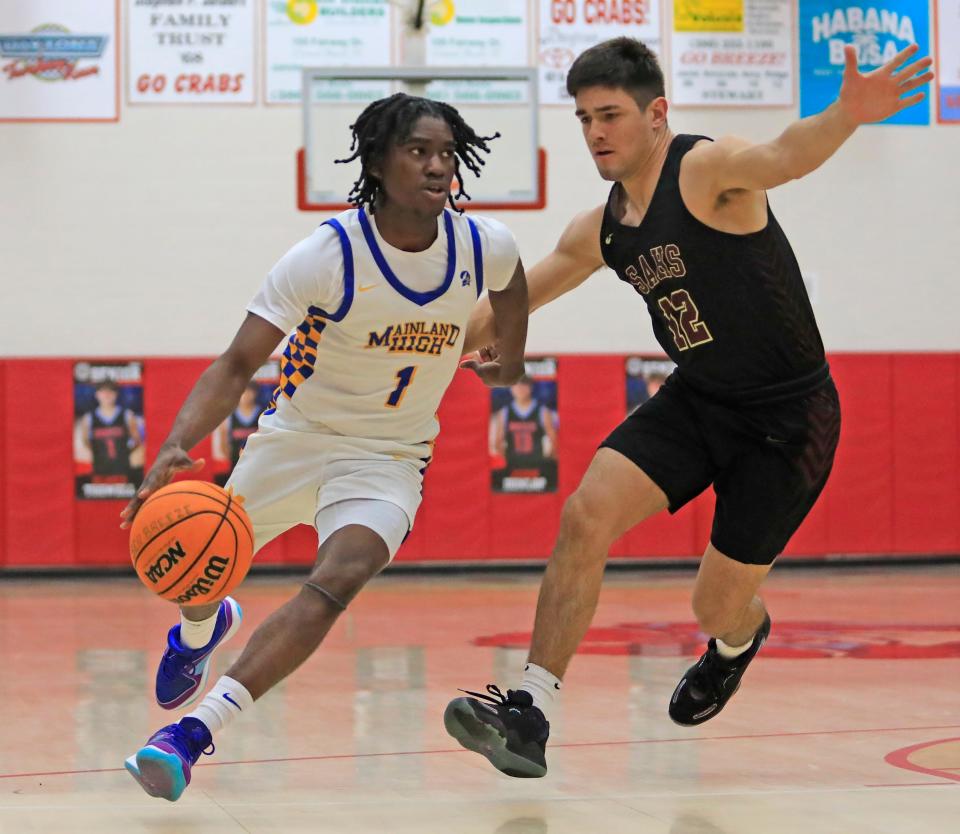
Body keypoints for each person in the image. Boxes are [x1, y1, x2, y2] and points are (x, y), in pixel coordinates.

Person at [445, 37, 933, 778]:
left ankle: (737, 643)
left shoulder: (704, 172)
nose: (596, 133)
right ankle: (528, 710)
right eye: (583, 118)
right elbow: (516, 300)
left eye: (610, 114)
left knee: (715, 609)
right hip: (698, 399)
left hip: (788, 420)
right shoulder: (601, 228)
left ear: (657, 113)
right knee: (585, 513)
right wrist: (420, 346)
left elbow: (784, 156)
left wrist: (846, 113)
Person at [119, 92, 529, 801]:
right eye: (419, 152)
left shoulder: (482, 245)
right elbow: (235, 364)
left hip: (391, 458)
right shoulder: (326, 254)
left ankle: (191, 734)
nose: (438, 167)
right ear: (377, 161)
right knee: (198, 568)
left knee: (337, 582)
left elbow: (514, 287)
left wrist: (513, 360)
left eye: (446, 155)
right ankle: (199, 626)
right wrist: (174, 447)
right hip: (296, 440)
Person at [489, 376, 558, 489]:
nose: (520, 389)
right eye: (517, 385)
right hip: (512, 464)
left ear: (530, 388)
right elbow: (497, 443)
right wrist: (507, 458)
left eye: (523, 385)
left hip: (537, 464)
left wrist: (548, 458)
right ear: (511, 388)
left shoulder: (542, 411)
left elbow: (554, 441)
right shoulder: (504, 412)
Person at [78, 380, 142, 479]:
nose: (106, 395)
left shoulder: (127, 415)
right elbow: (86, 441)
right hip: (99, 470)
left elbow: (137, 440)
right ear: (97, 394)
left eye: (110, 391)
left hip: (123, 471)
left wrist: (124, 452)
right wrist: (99, 452)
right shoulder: (88, 418)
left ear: (116, 394)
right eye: (103, 391)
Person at [213, 381, 265, 483]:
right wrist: (233, 457)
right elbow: (223, 444)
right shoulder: (229, 416)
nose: (246, 395)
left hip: (258, 464)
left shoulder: (263, 413)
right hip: (237, 466)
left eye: (249, 392)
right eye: (243, 392)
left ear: (255, 393)